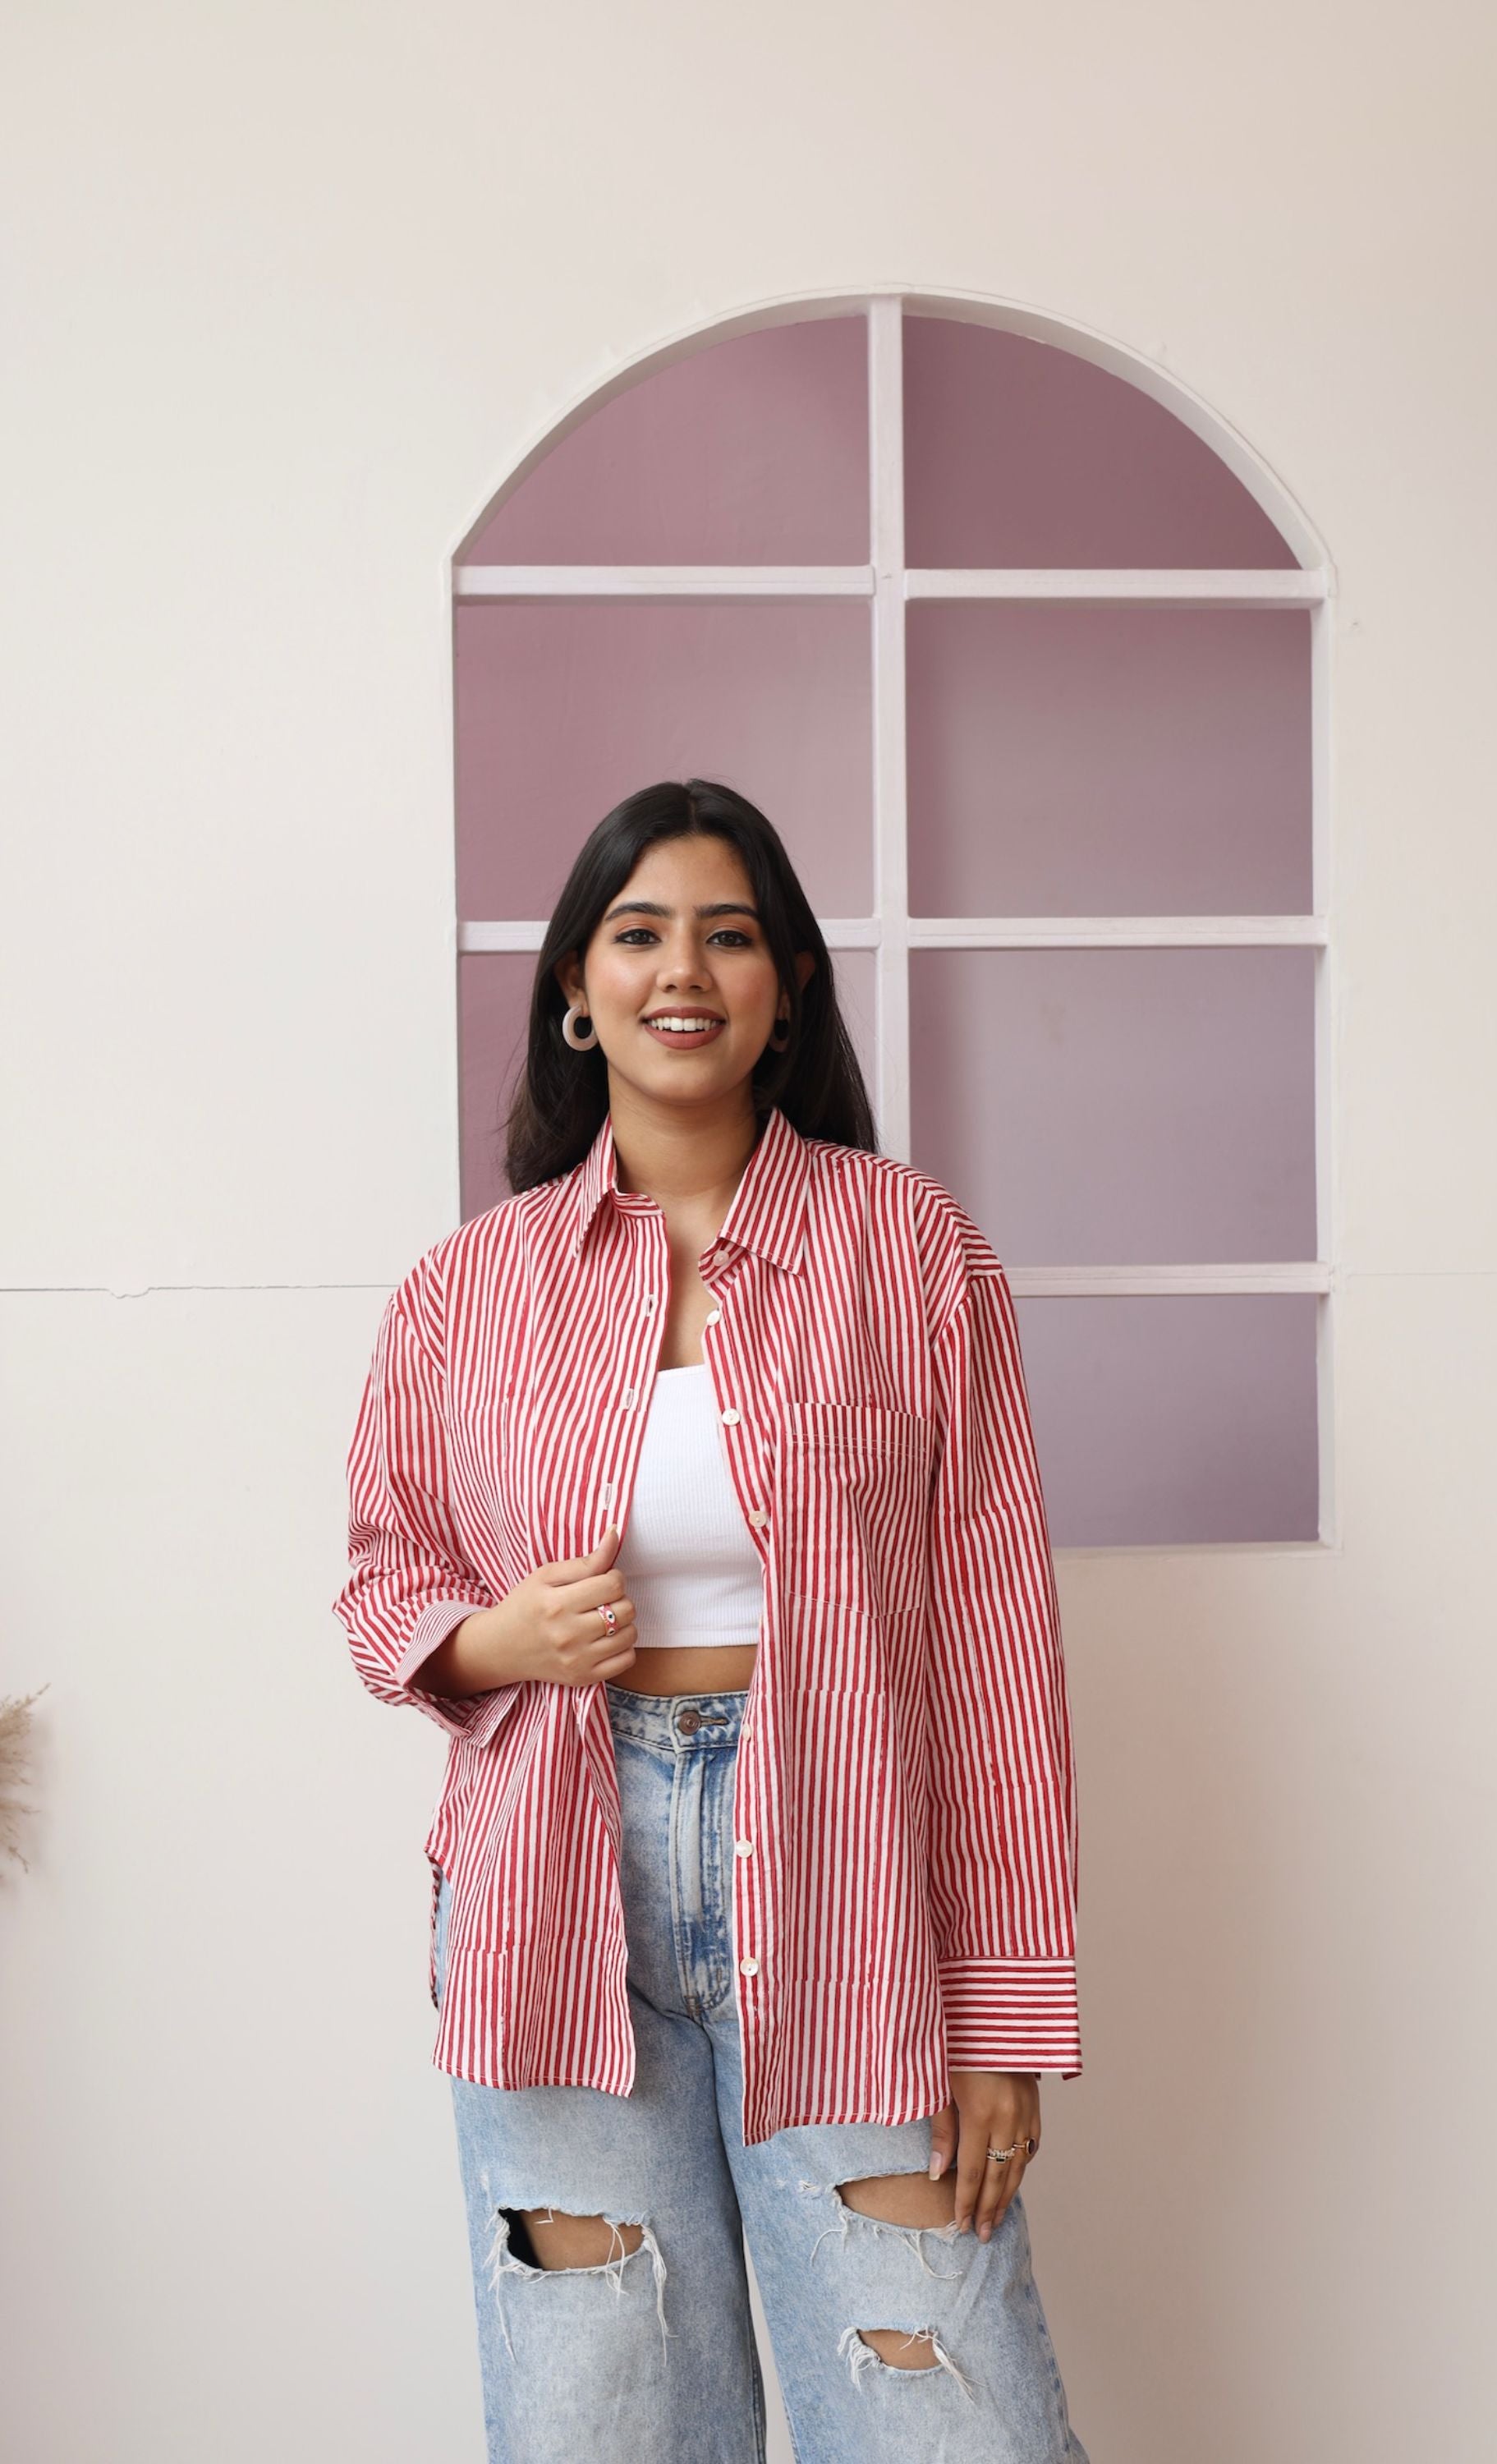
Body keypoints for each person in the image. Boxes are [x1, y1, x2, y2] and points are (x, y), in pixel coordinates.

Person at [332, 778, 1089, 2462]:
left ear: (789, 984)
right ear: (574, 993)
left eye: (731, 933)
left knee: (946, 2412)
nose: (687, 969)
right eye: (640, 932)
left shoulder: (915, 1257)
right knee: (600, 2417)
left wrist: (1009, 2023)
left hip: (850, 1873)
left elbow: (993, 1658)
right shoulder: (466, 1292)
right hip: (547, 1885)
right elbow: (384, 1571)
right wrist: (491, 1642)